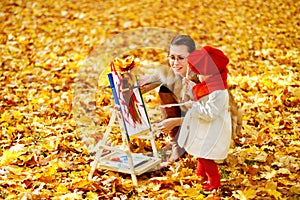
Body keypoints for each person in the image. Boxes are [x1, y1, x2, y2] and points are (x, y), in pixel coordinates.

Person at [177, 46, 232, 191]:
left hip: (214, 128)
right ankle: (200, 175)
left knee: (206, 156)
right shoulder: (211, 85)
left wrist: (192, 107)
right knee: (200, 152)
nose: (199, 76)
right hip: (205, 127)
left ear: (211, 74)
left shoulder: (218, 91)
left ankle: (214, 181)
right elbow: (200, 93)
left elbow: (210, 113)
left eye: (201, 74)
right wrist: (190, 86)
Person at [140, 35, 198, 162]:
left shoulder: (204, 76)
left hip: (209, 127)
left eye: (181, 58)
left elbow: (209, 116)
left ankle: (188, 142)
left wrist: (175, 122)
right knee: (164, 89)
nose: (175, 63)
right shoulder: (172, 71)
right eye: (172, 57)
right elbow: (147, 83)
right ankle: (177, 144)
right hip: (188, 120)